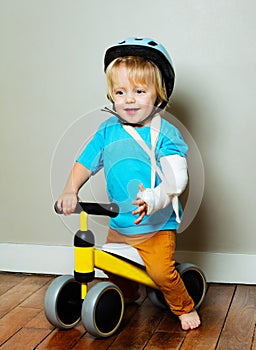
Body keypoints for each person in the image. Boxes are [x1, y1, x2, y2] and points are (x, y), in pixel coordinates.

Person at [57, 37, 201, 330]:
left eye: (139, 91)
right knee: (112, 264)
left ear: (159, 94)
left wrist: (155, 198)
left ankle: (183, 305)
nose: (129, 99)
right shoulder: (107, 130)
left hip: (156, 227)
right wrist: (71, 189)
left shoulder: (165, 133)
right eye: (120, 92)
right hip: (120, 224)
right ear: (111, 95)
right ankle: (129, 292)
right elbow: (85, 162)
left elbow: (177, 178)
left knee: (161, 273)